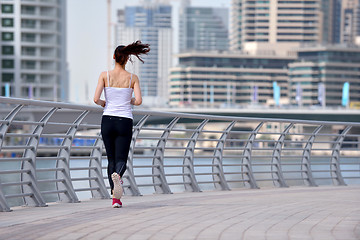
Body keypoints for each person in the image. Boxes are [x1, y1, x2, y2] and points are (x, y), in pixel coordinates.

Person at [93, 40, 150, 208]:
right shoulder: (133, 78)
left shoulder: (105, 75)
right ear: (127, 59)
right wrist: (130, 99)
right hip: (125, 121)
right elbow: (138, 101)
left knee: (110, 158)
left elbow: (96, 99)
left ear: (114, 57)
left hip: (108, 120)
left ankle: (115, 197)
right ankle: (117, 184)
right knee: (121, 158)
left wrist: (105, 103)